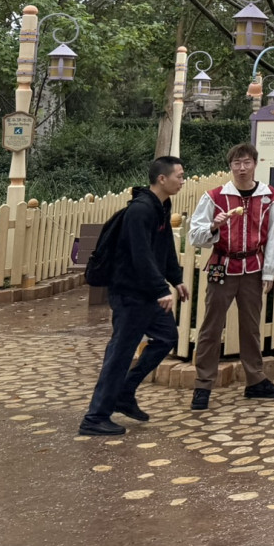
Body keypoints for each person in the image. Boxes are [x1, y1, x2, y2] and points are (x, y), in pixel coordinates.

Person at [80, 156, 190, 436]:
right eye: (179, 176)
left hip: (146, 294)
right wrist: (160, 289)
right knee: (120, 352)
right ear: (162, 179)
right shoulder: (140, 211)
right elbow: (139, 254)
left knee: (166, 337)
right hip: (130, 293)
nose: (182, 180)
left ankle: (125, 392)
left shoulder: (162, 206)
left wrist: (176, 279)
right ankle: (95, 417)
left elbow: (163, 248)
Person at [187, 143, 274, 411]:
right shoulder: (214, 197)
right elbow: (195, 236)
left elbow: (273, 237)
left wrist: (269, 272)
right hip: (221, 265)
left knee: (251, 327)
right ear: (230, 166)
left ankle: (255, 380)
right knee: (211, 326)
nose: (242, 168)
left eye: (246, 163)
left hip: (253, 268)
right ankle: (203, 384)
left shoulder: (270, 197)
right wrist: (214, 225)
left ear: (255, 163)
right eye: (236, 163)